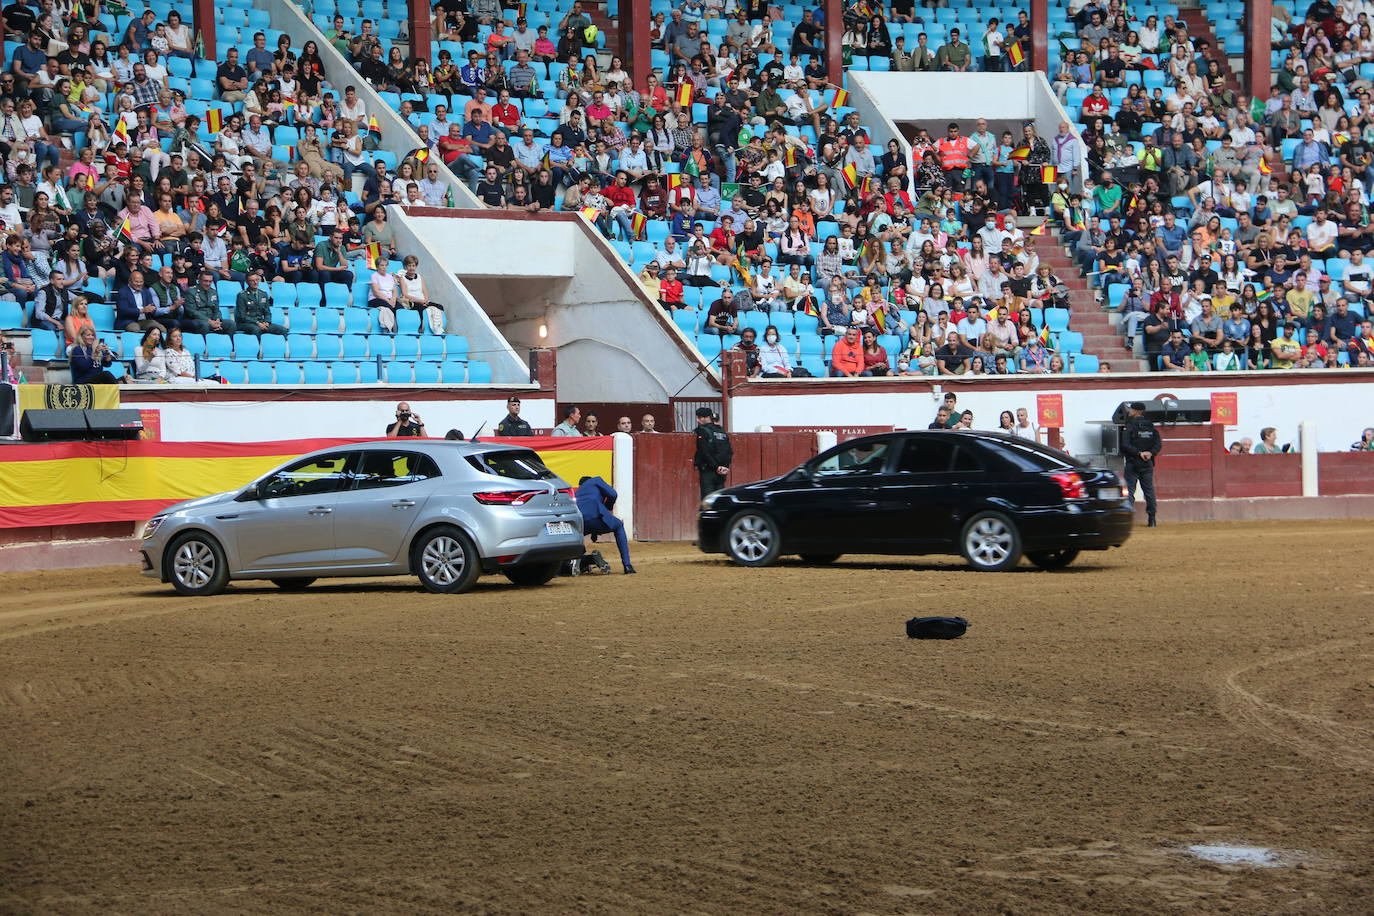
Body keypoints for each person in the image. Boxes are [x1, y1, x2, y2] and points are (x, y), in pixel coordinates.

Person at [575, 475, 635, 574]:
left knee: (577, 538)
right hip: (597, 517)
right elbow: (613, 494)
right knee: (619, 526)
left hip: (580, 521)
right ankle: (627, 565)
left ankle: (578, 560)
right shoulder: (596, 480)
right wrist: (608, 507)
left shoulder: (577, 492)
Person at [1120, 401, 1161, 526]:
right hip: (1147, 463)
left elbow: (1125, 445)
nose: (1129, 411)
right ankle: (1152, 519)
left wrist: (1139, 453)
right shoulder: (1151, 426)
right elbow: (1158, 444)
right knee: (1149, 491)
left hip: (1133, 462)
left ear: (1136, 411)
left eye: (1131, 409)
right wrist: (1150, 453)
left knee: (1129, 491)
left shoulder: (1130, 426)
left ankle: (1128, 519)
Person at [693, 406, 732, 497]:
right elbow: (729, 451)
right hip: (722, 471)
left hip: (708, 469)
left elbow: (704, 451)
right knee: (719, 497)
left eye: (699, 417)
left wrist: (715, 466)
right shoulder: (721, 431)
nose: (698, 420)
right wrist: (725, 466)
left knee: (708, 498)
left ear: (705, 418)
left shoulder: (702, 431)